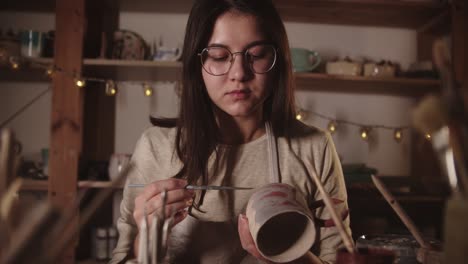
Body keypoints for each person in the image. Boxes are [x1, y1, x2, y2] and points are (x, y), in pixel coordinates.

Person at [110, 0, 351, 263]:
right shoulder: (156, 147)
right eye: (219, 56)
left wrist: (287, 255)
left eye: (256, 54)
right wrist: (147, 238)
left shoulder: (314, 148)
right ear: (197, 63)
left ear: (277, 60)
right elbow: (121, 259)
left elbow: (339, 258)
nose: (239, 73)